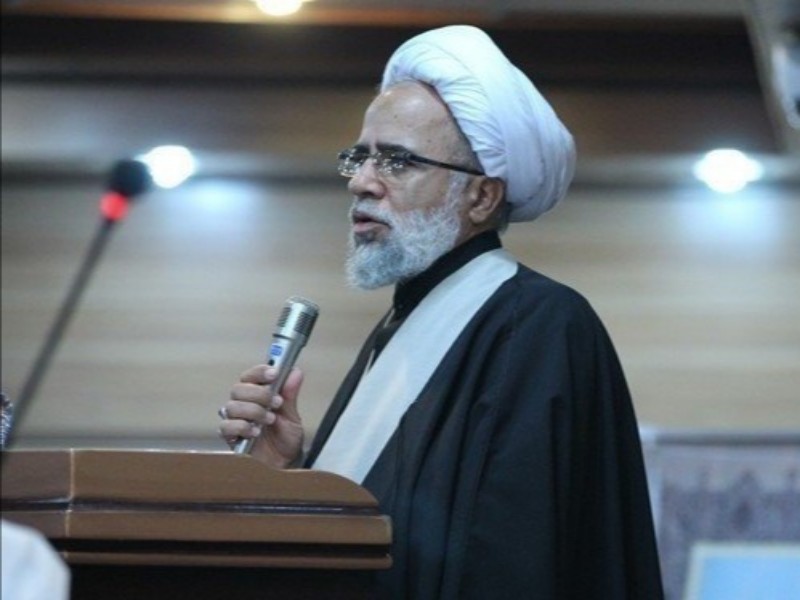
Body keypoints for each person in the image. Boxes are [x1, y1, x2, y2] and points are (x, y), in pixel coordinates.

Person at [218, 25, 664, 599]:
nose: (361, 183)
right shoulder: (402, 323)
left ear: (481, 197)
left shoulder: (538, 323)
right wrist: (288, 474)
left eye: (397, 161)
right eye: (360, 157)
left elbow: (510, 561)